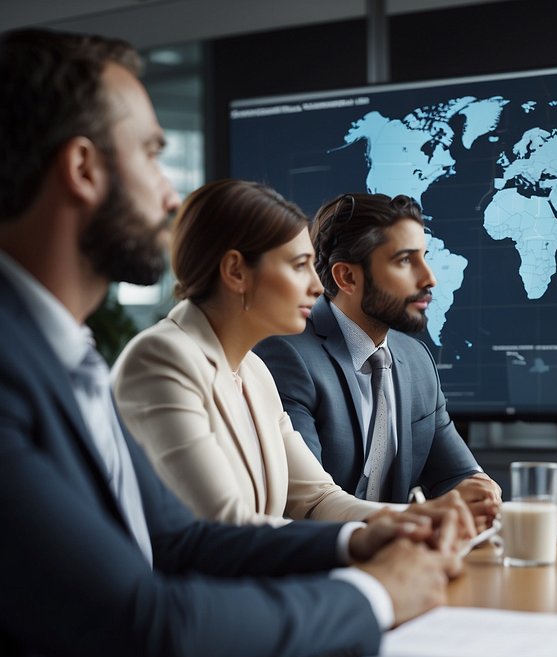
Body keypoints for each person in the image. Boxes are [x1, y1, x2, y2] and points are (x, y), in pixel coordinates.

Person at [0, 28, 471, 657]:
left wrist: (360, 541)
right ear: (82, 169)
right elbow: (147, 635)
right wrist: (373, 594)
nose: (171, 194)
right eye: (151, 153)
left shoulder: (64, 354)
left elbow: (180, 542)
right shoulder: (29, 367)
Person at [112, 178, 464, 529]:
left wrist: (421, 521)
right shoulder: (161, 359)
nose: (316, 286)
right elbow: (227, 528)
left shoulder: (253, 372)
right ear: (236, 271)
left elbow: (317, 499)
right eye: (299, 266)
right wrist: (365, 540)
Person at [255, 193, 501, 526]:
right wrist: (415, 519)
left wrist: (478, 489)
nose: (429, 278)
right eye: (404, 260)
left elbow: (456, 475)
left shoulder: (416, 359)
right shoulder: (287, 354)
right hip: (324, 563)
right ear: (348, 278)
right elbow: (305, 505)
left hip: (407, 562)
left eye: (424, 257)